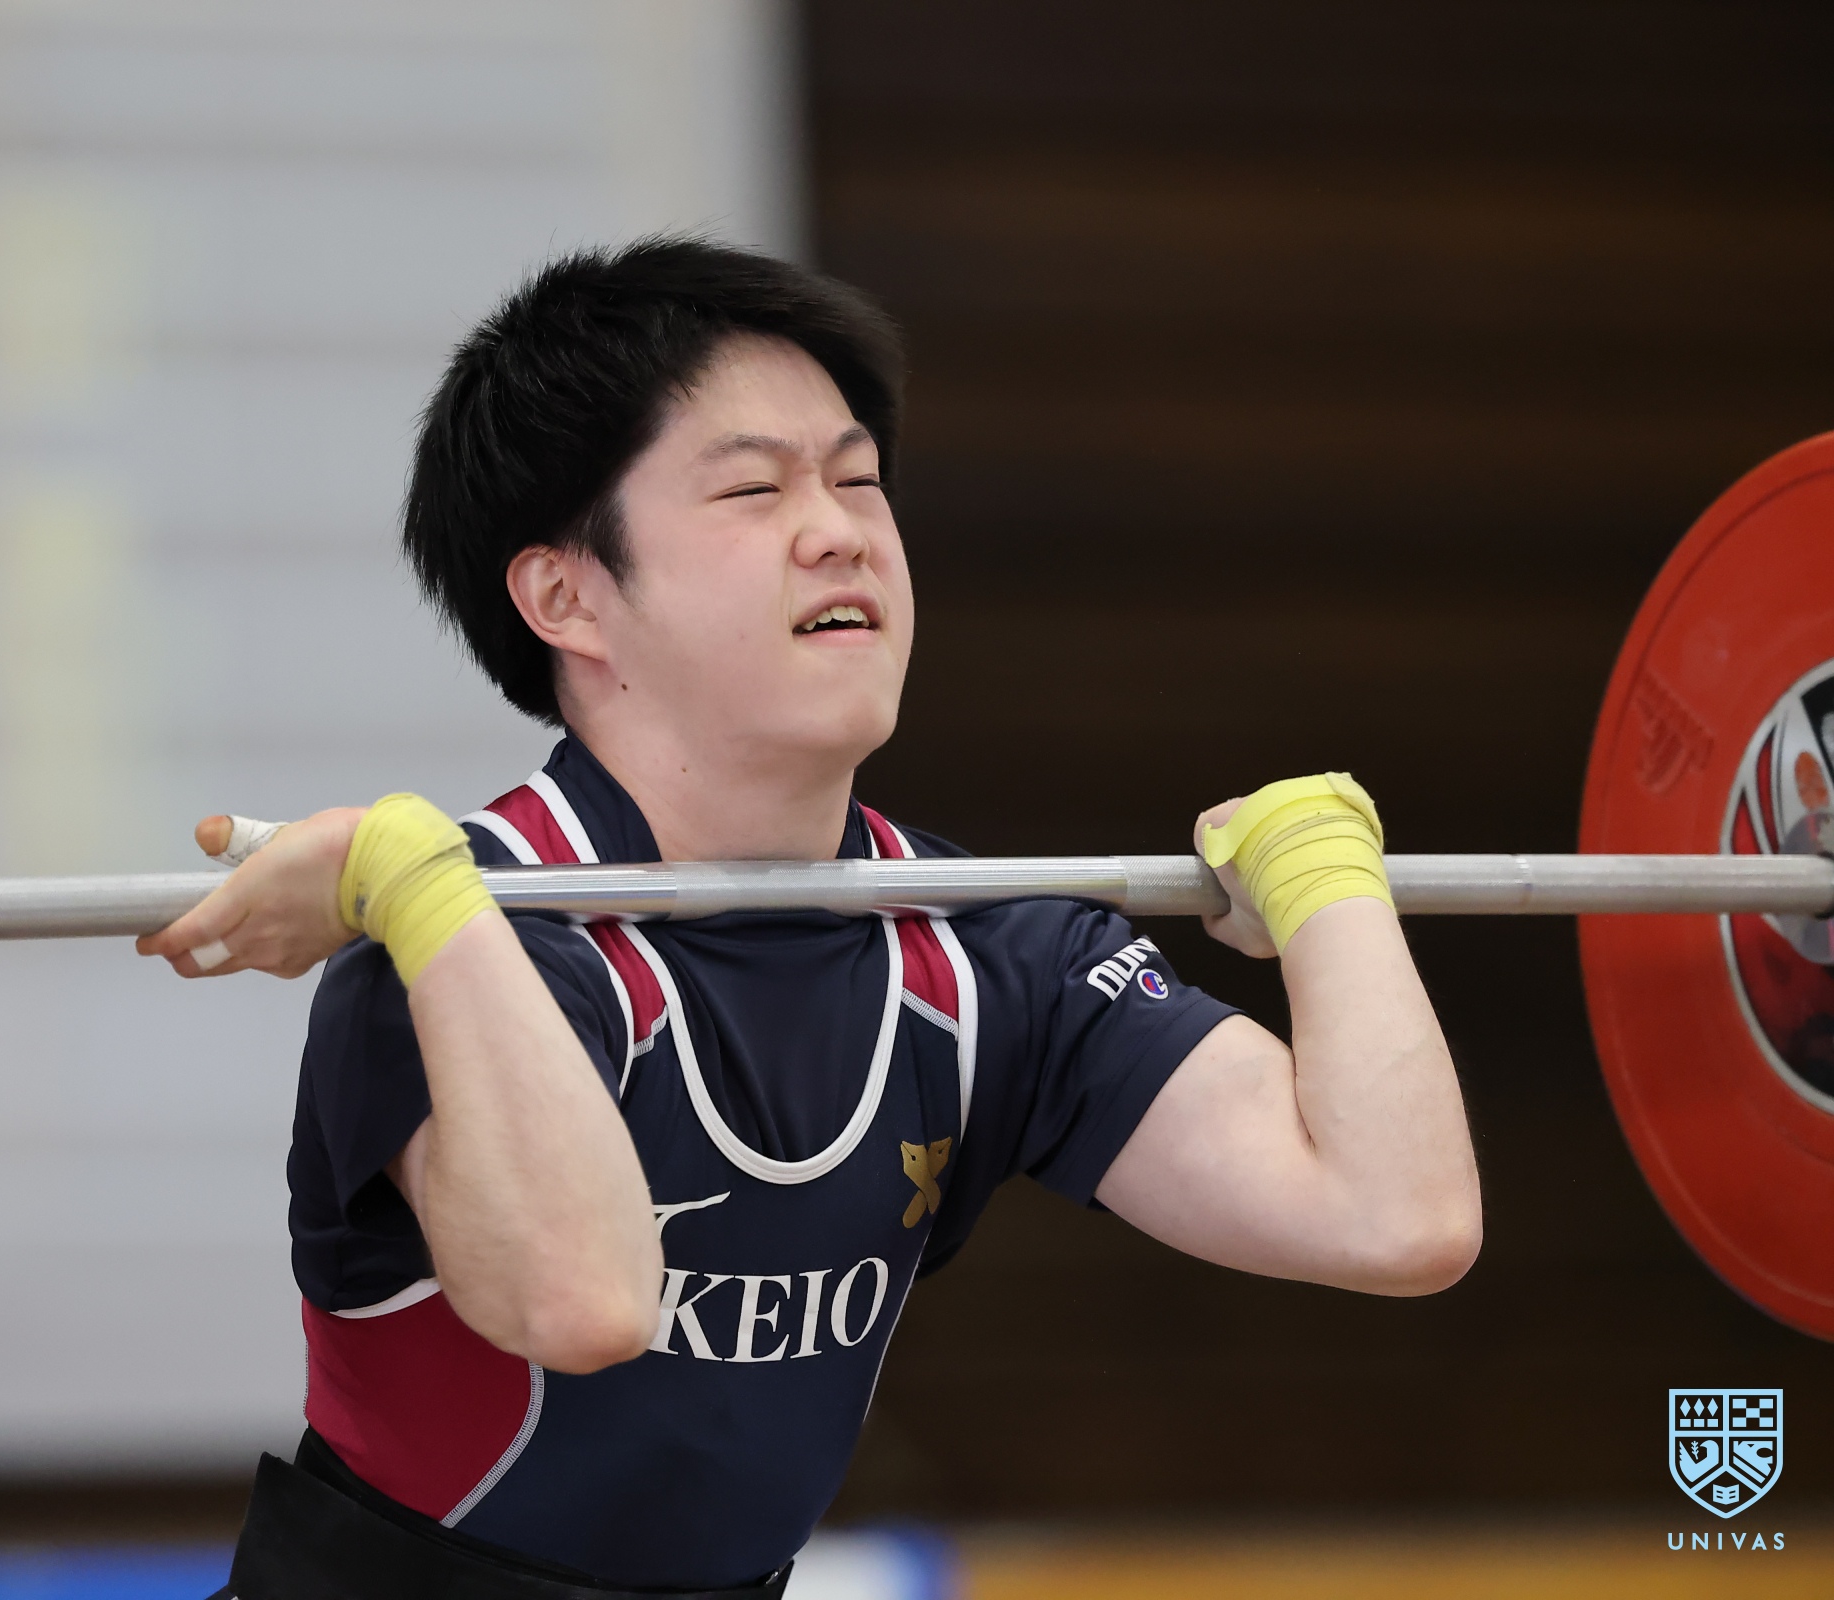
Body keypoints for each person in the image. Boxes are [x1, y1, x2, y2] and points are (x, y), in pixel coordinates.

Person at [139, 238, 1480, 1599]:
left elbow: (1398, 1218)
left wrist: (1327, 878)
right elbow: (583, 1302)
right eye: (753, 488)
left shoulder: (981, 956)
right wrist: (425, 892)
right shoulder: (455, 948)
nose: (841, 530)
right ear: (565, 595)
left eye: (858, 479)